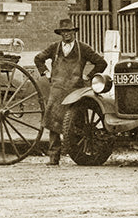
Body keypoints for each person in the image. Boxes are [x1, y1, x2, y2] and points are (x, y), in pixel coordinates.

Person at [34, 18, 107, 165]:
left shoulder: (83, 48)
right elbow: (38, 59)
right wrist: (46, 73)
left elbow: (101, 63)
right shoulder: (55, 47)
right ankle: (54, 157)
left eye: (69, 31)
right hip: (57, 89)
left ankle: (80, 154)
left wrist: (88, 76)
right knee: (53, 122)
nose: (66, 34)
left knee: (76, 122)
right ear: (60, 33)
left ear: (74, 32)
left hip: (75, 90)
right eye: (63, 32)